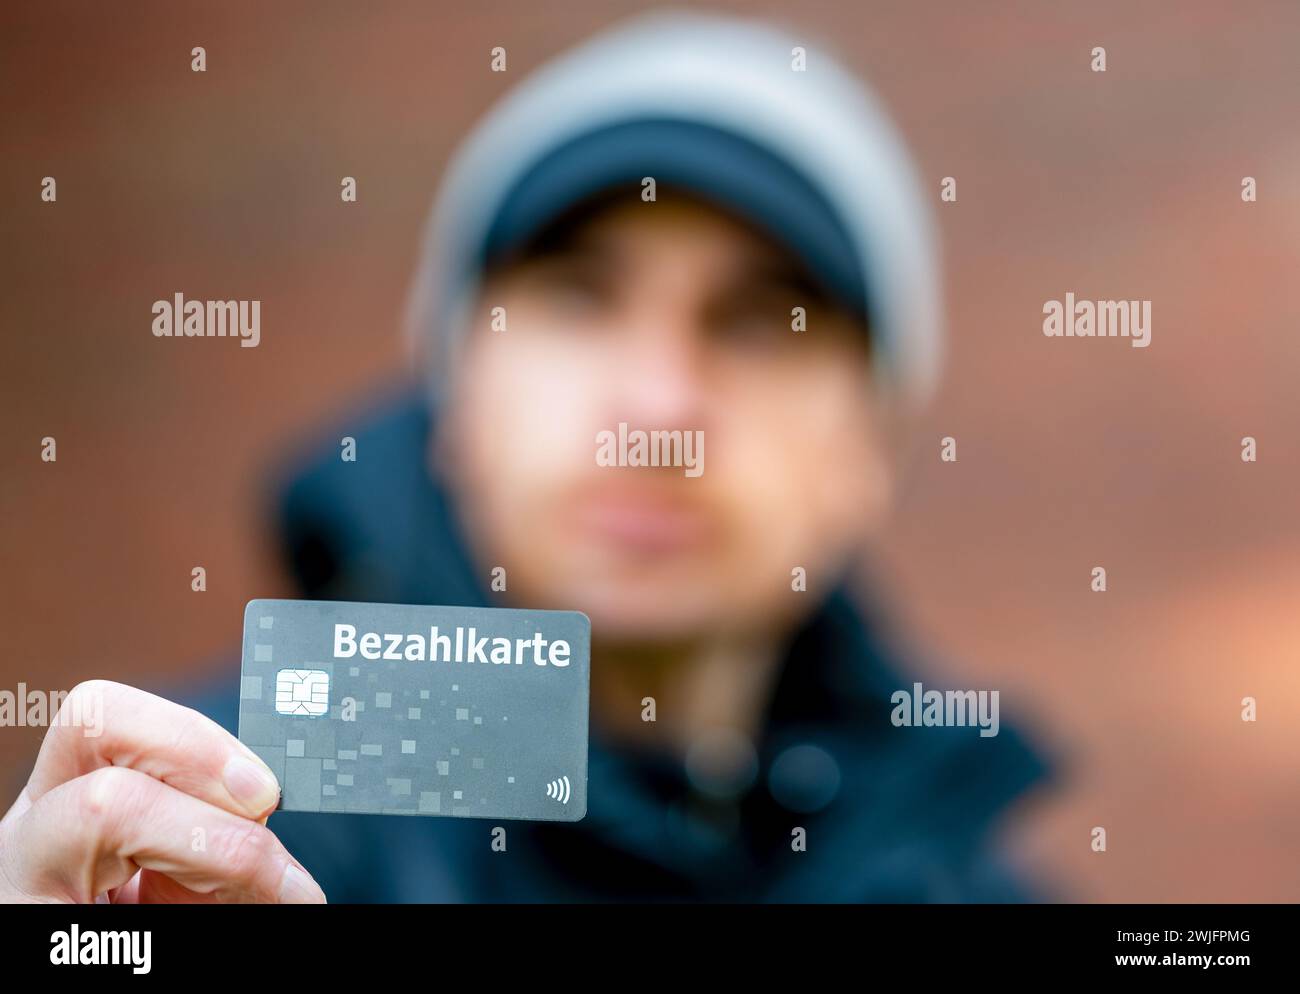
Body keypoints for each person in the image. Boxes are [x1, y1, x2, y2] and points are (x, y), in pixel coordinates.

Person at [0, 10, 1050, 903]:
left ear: (867, 452)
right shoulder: (182, 846)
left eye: (759, 321)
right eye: (579, 297)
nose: (658, 404)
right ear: (453, 394)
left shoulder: (970, 882)